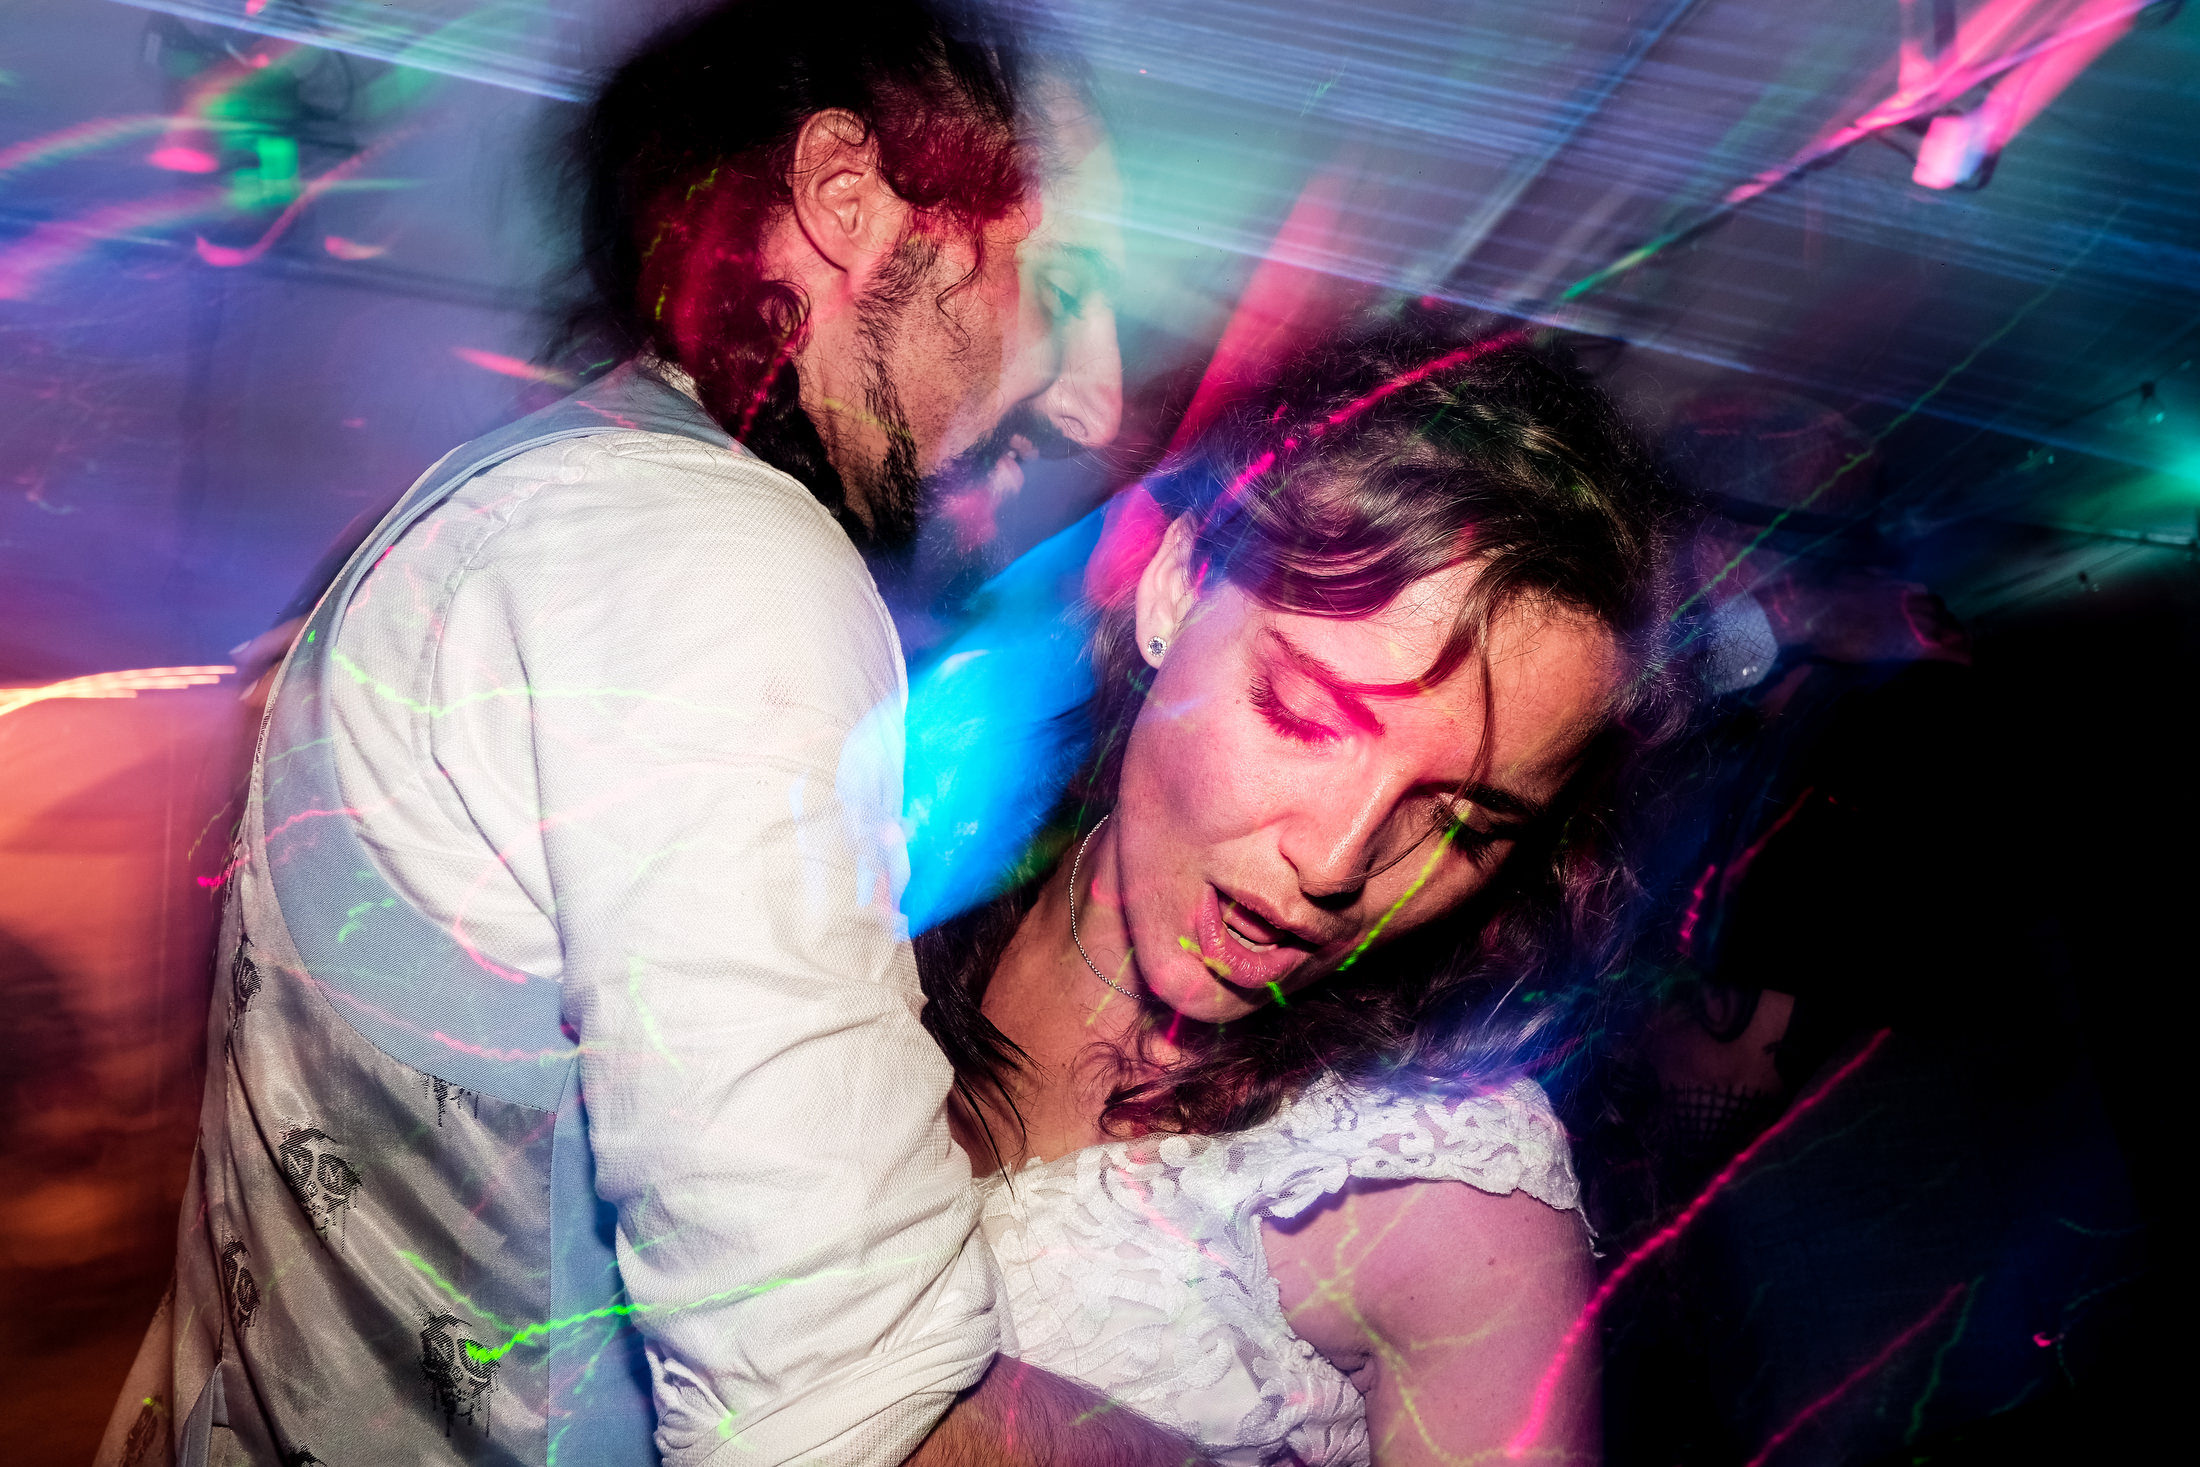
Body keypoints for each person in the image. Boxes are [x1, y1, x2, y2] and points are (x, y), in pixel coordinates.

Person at [93, 4, 1187, 1465]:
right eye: (1065, 281)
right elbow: (844, 1399)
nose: (1095, 398)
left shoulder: (522, 500)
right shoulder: (707, 558)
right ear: (847, 199)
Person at [914, 317, 1697, 1465]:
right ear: (1176, 590)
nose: (1337, 867)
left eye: (1463, 823)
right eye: (1305, 715)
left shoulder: (1450, 1203)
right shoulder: (919, 849)